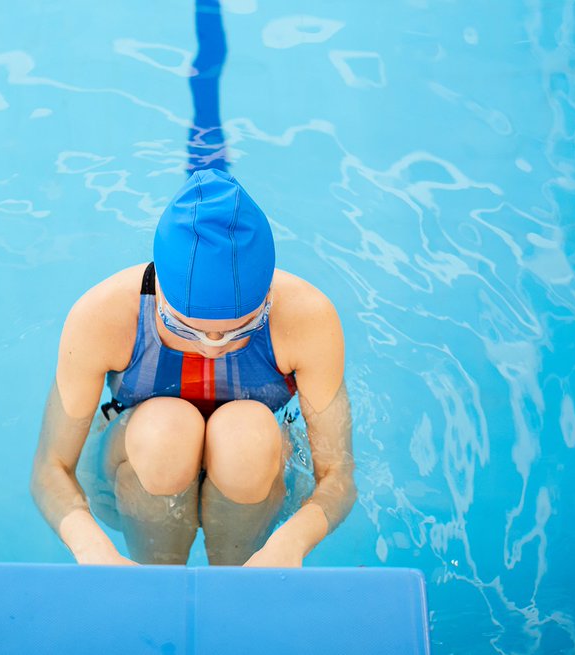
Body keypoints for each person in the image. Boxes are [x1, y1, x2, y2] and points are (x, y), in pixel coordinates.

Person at [30, 168, 356, 566]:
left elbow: (337, 475)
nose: (213, 349)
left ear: (269, 295)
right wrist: (93, 550)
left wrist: (291, 543)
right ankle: (155, 578)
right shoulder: (104, 316)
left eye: (242, 329)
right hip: (136, 470)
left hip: (258, 477)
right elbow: (51, 468)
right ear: (159, 293)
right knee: (165, 428)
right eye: (183, 327)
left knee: (247, 432)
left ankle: (238, 581)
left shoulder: (307, 318)